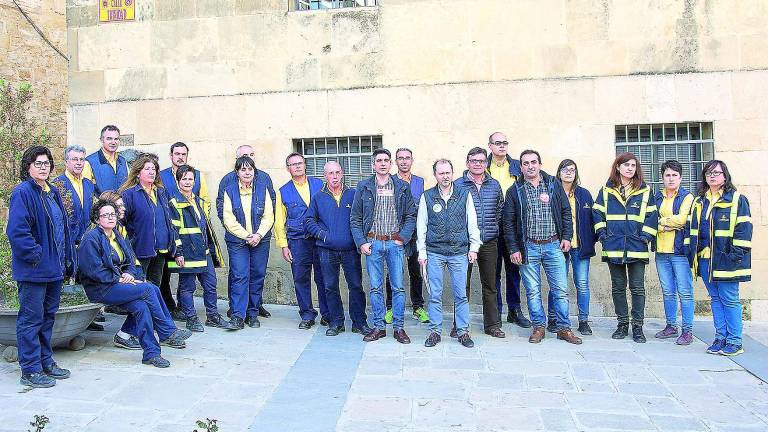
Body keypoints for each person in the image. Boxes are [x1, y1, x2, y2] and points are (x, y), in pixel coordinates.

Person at [77, 199, 190, 368]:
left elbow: (130, 259)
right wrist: (120, 278)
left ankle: (151, 354)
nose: (110, 218)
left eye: (112, 214)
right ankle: (167, 332)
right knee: (149, 289)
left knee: (141, 307)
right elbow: (92, 270)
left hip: (118, 284)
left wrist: (130, 273)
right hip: (101, 288)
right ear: (97, 218)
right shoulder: (91, 239)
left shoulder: (117, 235)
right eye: (105, 215)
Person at [7, 146, 74, 388]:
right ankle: (30, 369)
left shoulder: (52, 192)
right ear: (28, 167)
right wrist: (36, 256)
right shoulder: (23, 193)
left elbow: (61, 229)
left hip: (53, 270)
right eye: (38, 163)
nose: (43, 167)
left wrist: (66, 259)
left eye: (46, 163)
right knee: (31, 320)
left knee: (47, 319)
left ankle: (46, 361)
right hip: (34, 270)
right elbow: (17, 232)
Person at [502, 150, 581, 345]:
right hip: (529, 247)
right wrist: (514, 248)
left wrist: (567, 237)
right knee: (533, 290)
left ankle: (564, 328)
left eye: (534, 162)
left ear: (540, 164)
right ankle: (538, 327)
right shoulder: (515, 190)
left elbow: (565, 211)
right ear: (520, 167)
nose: (530, 166)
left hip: (554, 245)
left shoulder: (553, 185)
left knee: (561, 289)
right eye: (526, 163)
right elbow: (508, 222)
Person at [350, 148, 417, 344]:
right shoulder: (363, 187)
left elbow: (411, 215)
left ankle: (399, 328)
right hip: (373, 243)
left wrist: (403, 237)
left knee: (398, 288)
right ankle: (379, 327)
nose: (382, 163)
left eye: (386, 160)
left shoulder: (402, 186)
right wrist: (362, 242)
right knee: (376, 288)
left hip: (395, 243)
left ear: (391, 164)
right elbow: (355, 218)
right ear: (373, 165)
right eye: (378, 160)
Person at [687, 160, 752, 356]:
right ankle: (720, 337)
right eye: (708, 173)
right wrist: (693, 252)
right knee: (715, 299)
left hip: (727, 260)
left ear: (725, 175)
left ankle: (734, 341)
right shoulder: (700, 201)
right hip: (706, 259)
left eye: (716, 172)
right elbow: (693, 228)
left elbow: (744, 229)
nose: (712, 176)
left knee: (730, 299)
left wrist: (736, 255)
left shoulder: (737, 199)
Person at [592, 152, 658, 343]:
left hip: (637, 247)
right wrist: (603, 235)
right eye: (626, 165)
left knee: (637, 288)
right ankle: (622, 324)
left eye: (633, 165)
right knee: (618, 287)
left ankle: (638, 326)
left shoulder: (645, 191)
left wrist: (645, 236)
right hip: (613, 246)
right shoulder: (606, 190)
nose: (630, 168)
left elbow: (652, 216)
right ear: (618, 167)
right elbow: (597, 213)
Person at [418, 159, 481, 348]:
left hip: (458, 252)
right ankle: (435, 331)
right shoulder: (427, 196)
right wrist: (422, 252)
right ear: (435, 175)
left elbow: (472, 221)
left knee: (460, 294)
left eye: (448, 173)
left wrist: (474, 247)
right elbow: (422, 225)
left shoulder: (464, 194)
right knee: (435, 294)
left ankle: (462, 331)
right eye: (441, 173)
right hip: (434, 252)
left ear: (452, 173)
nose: (445, 177)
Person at [305, 161, 371, 336]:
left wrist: (359, 239)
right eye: (330, 173)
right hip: (326, 250)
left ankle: (359, 322)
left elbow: (362, 218)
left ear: (342, 174)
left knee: (356, 286)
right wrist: (323, 235)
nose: (334, 177)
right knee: (330, 286)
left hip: (350, 249)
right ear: (324, 176)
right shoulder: (318, 197)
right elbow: (309, 221)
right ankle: (336, 322)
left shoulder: (353, 194)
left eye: (337, 173)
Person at [168, 165, 237, 332]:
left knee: (210, 284)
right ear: (178, 182)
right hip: (187, 253)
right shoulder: (174, 203)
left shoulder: (200, 201)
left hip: (203, 252)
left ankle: (212, 316)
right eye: (183, 179)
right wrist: (178, 253)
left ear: (195, 181)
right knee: (187, 287)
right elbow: (173, 231)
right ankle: (191, 318)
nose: (187, 182)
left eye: (190, 179)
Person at [217, 144, 275, 319]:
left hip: (260, 238)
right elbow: (224, 212)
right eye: (243, 168)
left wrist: (259, 234)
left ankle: (254, 310)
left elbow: (270, 211)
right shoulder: (227, 182)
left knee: (257, 274)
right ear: (237, 168)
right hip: (238, 239)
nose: (247, 171)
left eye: (250, 167)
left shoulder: (264, 180)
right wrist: (244, 234)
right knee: (239, 275)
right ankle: (237, 312)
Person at [453, 147, 505, 338]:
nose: (478, 164)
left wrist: (494, 229)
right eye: (474, 161)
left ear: (486, 163)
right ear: (467, 163)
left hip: (489, 242)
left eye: (481, 161)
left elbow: (500, 209)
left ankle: (492, 325)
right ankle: (459, 324)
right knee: (461, 285)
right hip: (464, 242)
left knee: (490, 285)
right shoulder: (458, 185)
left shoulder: (494, 184)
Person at [274, 152, 329, 329]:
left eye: (300, 163)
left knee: (324, 278)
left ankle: (327, 314)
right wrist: (283, 245)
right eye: (293, 164)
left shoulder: (320, 185)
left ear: (305, 165)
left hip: (320, 240)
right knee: (301, 279)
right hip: (297, 241)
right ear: (288, 168)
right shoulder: (283, 191)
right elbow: (279, 220)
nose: (297, 166)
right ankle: (307, 314)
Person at [119, 154, 180, 313]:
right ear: (138, 172)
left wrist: (172, 243)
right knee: (139, 287)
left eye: (154, 169)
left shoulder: (161, 192)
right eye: (147, 169)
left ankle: (152, 318)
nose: (152, 172)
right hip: (140, 250)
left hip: (160, 249)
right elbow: (120, 223)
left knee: (155, 286)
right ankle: (138, 321)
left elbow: (168, 220)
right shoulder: (129, 194)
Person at [159, 142, 212, 320]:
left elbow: (205, 201)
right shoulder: (162, 176)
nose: (180, 157)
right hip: (171, 234)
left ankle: (184, 309)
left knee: (193, 281)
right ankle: (171, 308)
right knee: (167, 276)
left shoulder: (197, 175)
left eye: (183, 154)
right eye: (177, 154)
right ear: (171, 155)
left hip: (195, 240)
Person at [486, 132, 530, 328]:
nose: (502, 146)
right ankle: (497, 313)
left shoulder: (517, 168)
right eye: (498, 143)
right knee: (493, 273)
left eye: (505, 143)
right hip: (492, 227)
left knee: (514, 271)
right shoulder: (483, 167)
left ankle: (515, 310)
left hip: (513, 227)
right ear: (490, 146)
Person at [549, 159, 597, 336]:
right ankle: (553, 318)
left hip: (580, 247)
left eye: (572, 170)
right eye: (565, 169)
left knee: (582, 284)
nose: (569, 172)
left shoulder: (584, 194)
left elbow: (594, 218)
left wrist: (593, 239)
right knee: (558, 284)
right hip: (558, 246)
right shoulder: (552, 192)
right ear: (559, 172)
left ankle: (583, 320)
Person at [384, 148, 428, 324]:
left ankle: (418, 307)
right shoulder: (390, 181)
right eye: (400, 158)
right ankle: (391, 307)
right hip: (395, 233)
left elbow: (421, 207)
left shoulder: (419, 181)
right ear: (395, 162)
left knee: (416, 271)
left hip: (416, 233)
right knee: (393, 272)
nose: (404, 161)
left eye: (407, 158)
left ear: (412, 160)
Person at [653, 160, 695, 345]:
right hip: (661, 251)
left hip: (679, 251)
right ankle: (671, 326)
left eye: (674, 175)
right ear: (662, 178)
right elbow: (650, 220)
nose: (671, 179)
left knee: (685, 292)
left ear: (681, 177)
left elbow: (683, 219)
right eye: (667, 175)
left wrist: (662, 222)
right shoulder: (657, 197)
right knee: (668, 291)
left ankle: (687, 330)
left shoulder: (687, 197)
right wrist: (665, 226)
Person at [52, 145, 96, 244]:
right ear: (66, 162)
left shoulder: (88, 184)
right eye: (75, 159)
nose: (79, 163)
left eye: (81, 159)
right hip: (67, 242)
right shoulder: (58, 185)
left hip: (87, 242)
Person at [82, 125, 129, 194]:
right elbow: (86, 191)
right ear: (101, 140)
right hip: (102, 204)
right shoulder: (89, 162)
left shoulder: (123, 161)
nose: (113, 142)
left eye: (116, 139)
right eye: (109, 139)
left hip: (123, 204)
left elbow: (129, 185)